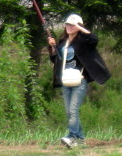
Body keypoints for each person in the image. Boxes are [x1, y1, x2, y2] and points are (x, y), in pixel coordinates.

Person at [47, 13, 110, 148]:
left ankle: (72, 137)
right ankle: (80, 139)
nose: (69, 27)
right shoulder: (63, 42)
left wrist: (81, 29)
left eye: (73, 25)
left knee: (73, 110)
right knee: (69, 111)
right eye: (68, 24)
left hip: (79, 80)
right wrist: (52, 47)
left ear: (79, 27)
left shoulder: (83, 41)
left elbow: (94, 39)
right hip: (65, 80)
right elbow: (55, 59)